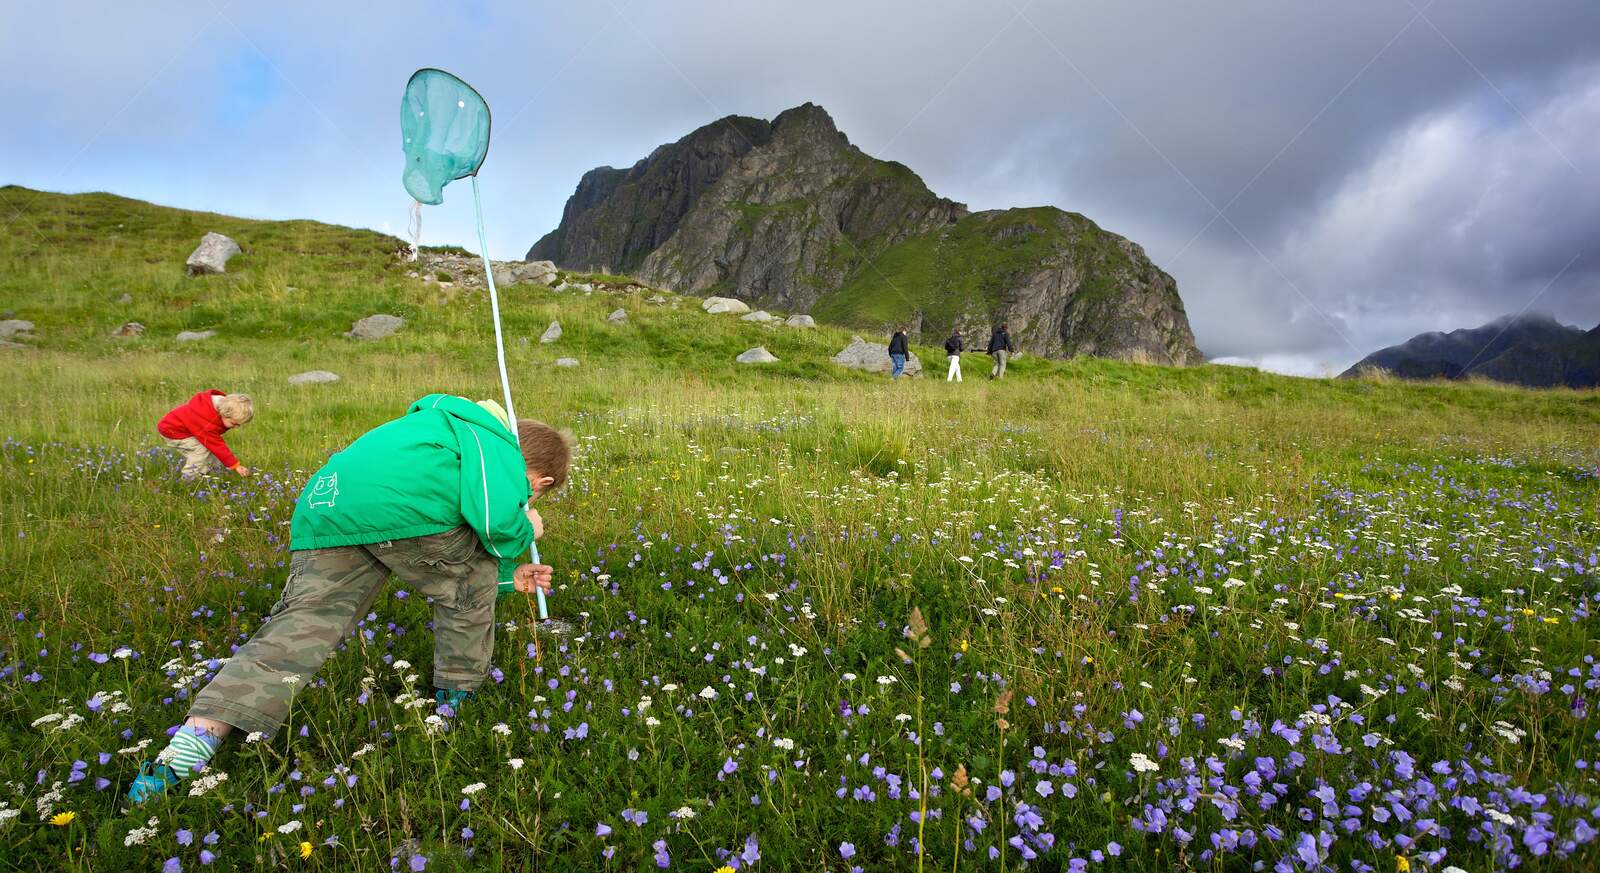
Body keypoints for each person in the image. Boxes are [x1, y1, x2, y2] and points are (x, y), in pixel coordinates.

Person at [127, 394, 569, 803]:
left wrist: (509, 579)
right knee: (469, 593)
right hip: (409, 514)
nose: (524, 499)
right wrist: (527, 526)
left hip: (328, 510)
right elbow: (491, 520)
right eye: (531, 494)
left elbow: (425, 538)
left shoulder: (427, 428)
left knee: (301, 625)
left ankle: (187, 748)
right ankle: (456, 701)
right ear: (539, 478)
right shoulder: (491, 439)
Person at [158, 390, 253, 478]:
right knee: (200, 452)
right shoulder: (208, 422)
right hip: (173, 431)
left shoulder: (221, 405)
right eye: (234, 424)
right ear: (224, 413)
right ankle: (188, 480)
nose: (236, 427)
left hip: (186, 429)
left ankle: (214, 474)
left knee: (210, 449)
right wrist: (235, 465)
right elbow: (216, 444)